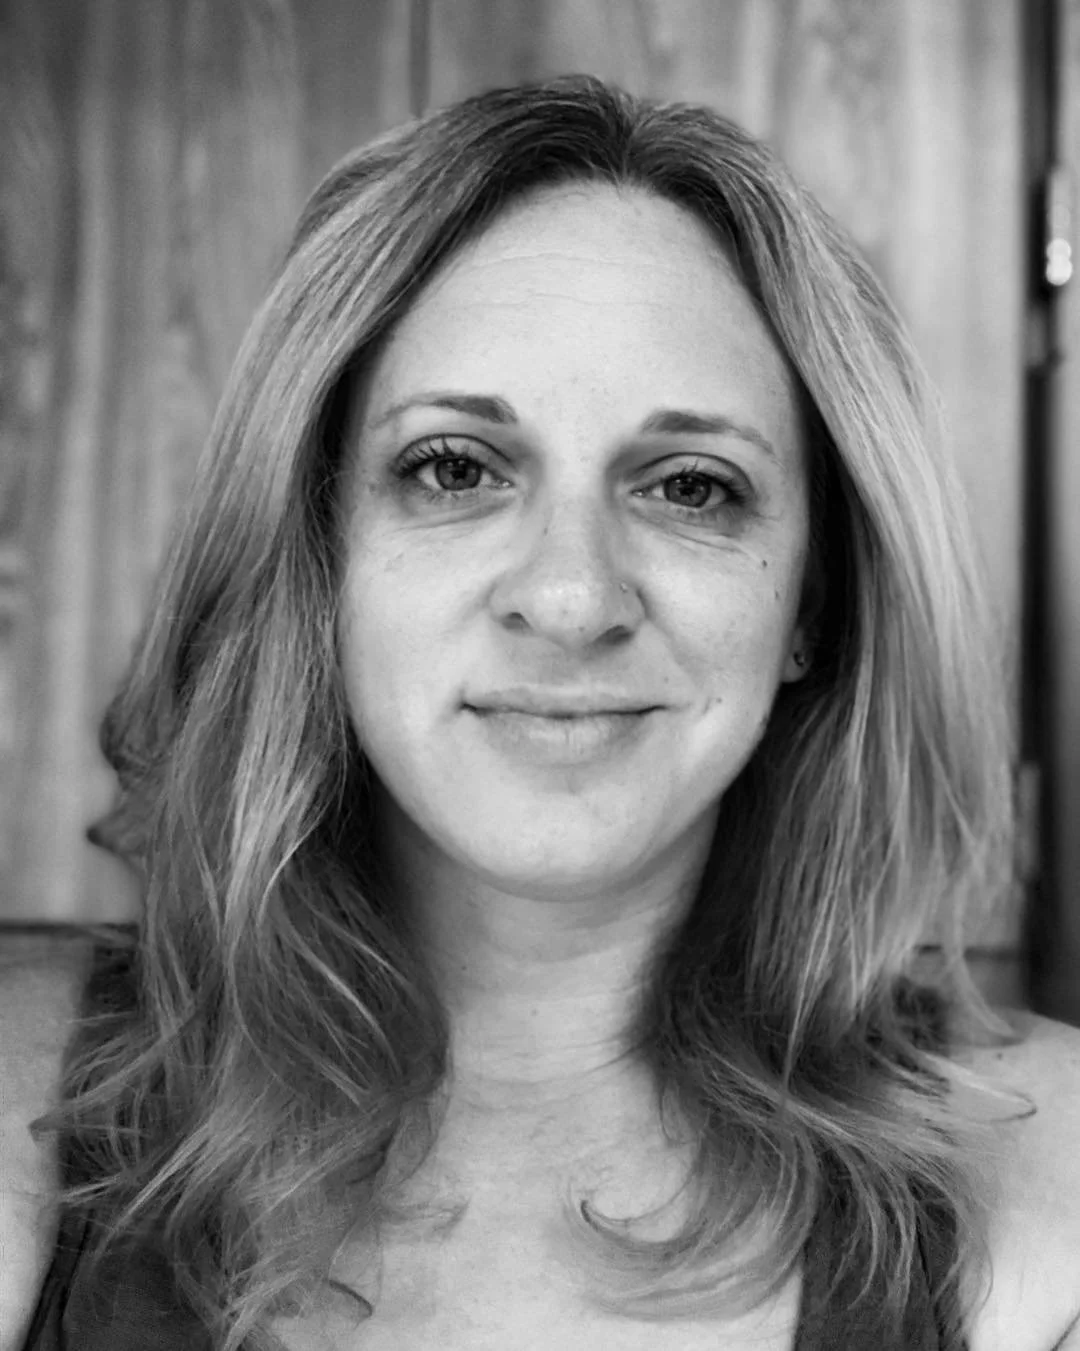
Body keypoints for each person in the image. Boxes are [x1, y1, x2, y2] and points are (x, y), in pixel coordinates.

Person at [8, 72, 1080, 1351]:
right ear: (320, 553)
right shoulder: (25, 1092)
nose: (571, 596)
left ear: (814, 600)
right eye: (454, 467)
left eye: (691, 485)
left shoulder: (1043, 1175)